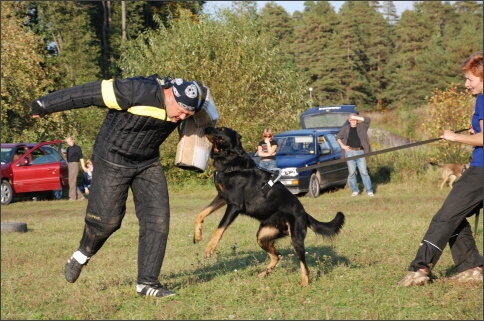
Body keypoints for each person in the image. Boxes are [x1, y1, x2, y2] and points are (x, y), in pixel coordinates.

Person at [31, 75, 212, 297]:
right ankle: (81, 255)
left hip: (147, 162)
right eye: (181, 111)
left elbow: (208, 118)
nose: (181, 117)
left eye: (188, 114)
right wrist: (44, 104)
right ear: (168, 93)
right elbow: (85, 94)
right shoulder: (135, 90)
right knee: (107, 222)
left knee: (158, 219)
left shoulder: (194, 103)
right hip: (111, 159)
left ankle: (147, 283)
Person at [398, 52, 483, 287]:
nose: (466, 84)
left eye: (470, 79)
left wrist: (455, 136)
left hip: (481, 171)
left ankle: (419, 269)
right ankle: (472, 267)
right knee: (454, 217)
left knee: (445, 218)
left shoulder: (483, 99)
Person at [336, 113, 374, 197]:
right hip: (349, 152)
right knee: (352, 173)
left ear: (357, 120)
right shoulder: (345, 128)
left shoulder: (362, 126)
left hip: (360, 151)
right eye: (351, 120)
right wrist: (343, 145)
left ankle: (369, 191)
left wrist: (355, 116)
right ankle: (355, 191)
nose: (353, 121)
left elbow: (368, 120)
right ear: (349, 121)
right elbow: (338, 137)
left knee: (364, 172)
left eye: (354, 120)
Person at [65, 136, 86, 201]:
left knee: (72, 181)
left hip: (75, 164)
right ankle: (80, 196)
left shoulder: (77, 148)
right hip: (70, 165)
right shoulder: (68, 149)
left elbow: (81, 158)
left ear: (73, 140)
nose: (69, 143)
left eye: (70, 141)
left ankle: (72, 197)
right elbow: (68, 158)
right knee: (71, 181)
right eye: (68, 142)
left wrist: (83, 166)